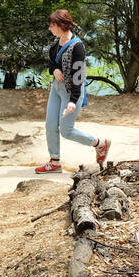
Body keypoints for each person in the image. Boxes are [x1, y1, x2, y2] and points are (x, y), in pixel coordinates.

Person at [35, 9, 110, 173]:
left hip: (71, 92)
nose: (50, 29)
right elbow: (52, 62)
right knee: (50, 125)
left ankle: (99, 143)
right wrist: (54, 70)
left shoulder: (78, 47)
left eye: (52, 25)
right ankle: (54, 162)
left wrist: (73, 100)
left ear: (61, 25)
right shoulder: (56, 43)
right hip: (56, 89)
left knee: (66, 131)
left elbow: (79, 76)